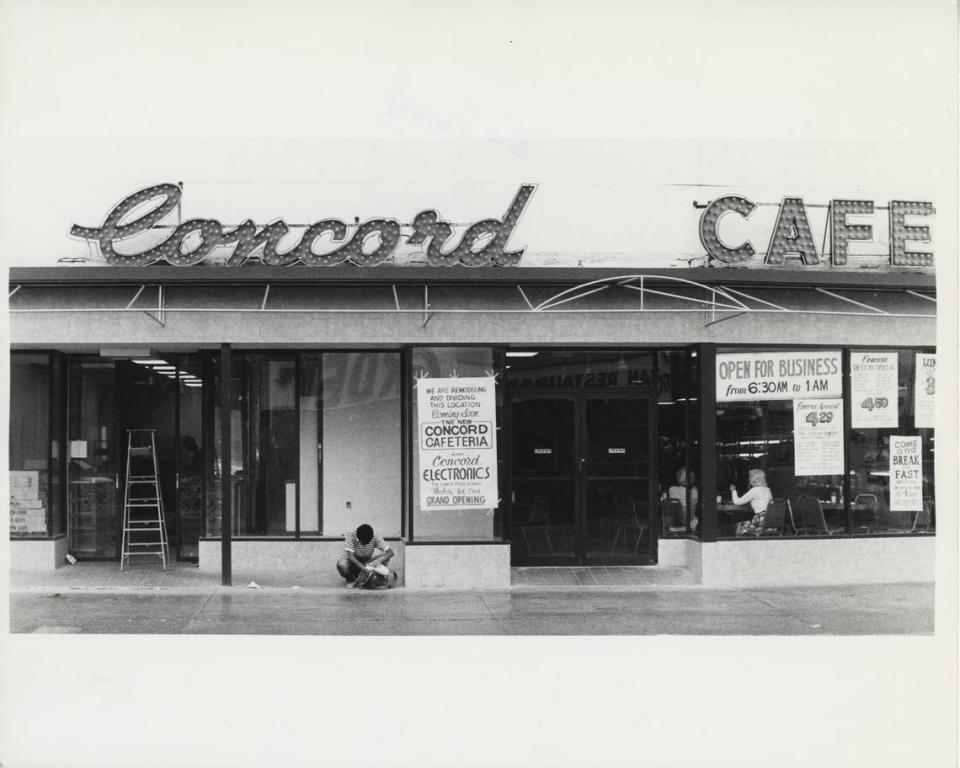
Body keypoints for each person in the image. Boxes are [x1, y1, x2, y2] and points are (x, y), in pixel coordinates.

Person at [337, 523, 395, 588]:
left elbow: (391, 552)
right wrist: (365, 569)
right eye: (362, 543)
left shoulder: (375, 536)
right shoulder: (350, 535)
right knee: (342, 564)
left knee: (385, 556)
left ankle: (377, 578)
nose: (364, 545)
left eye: (367, 543)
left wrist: (379, 560)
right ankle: (351, 579)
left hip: (367, 562)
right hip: (352, 563)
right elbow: (350, 557)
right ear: (358, 537)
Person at [732, 468, 774, 536]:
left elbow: (737, 502)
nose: (749, 479)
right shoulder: (768, 489)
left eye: (750, 477)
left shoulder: (755, 490)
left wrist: (733, 490)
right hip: (771, 522)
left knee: (739, 526)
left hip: (760, 522)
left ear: (753, 479)